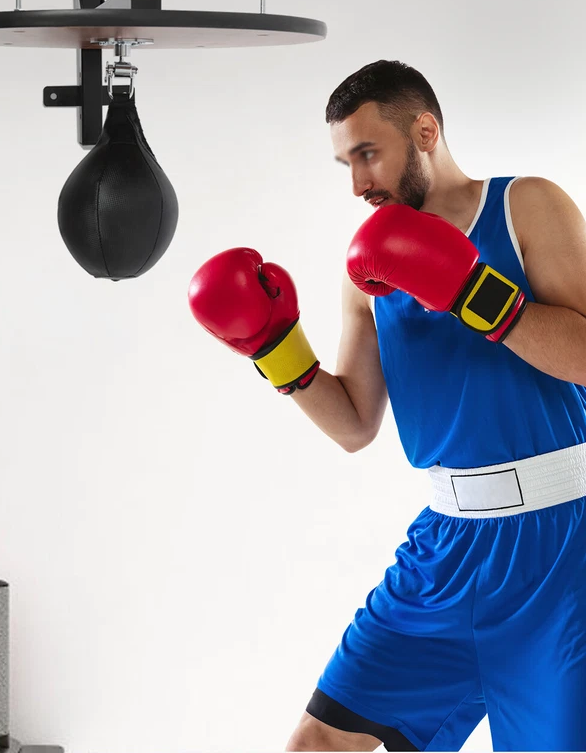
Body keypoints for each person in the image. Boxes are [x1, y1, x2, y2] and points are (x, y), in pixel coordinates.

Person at [188, 60, 586, 752]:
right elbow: (354, 425)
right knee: (316, 742)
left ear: (425, 131)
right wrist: (272, 344)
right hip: (446, 550)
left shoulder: (526, 205)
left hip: (562, 545)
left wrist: (471, 291)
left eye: (368, 154)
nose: (357, 183)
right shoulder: (367, 273)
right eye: (345, 162)